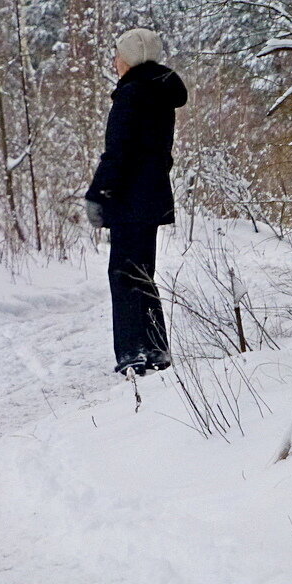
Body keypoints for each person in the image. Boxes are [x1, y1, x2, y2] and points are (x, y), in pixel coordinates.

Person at [84, 27, 187, 377]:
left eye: (117, 56)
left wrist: (98, 193)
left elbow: (118, 153)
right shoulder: (161, 94)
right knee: (143, 275)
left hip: (128, 199)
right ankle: (156, 349)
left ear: (128, 59)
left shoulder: (131, 95)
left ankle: (133, 354)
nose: (115, 62)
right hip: (153, 195)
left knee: (124, 275)